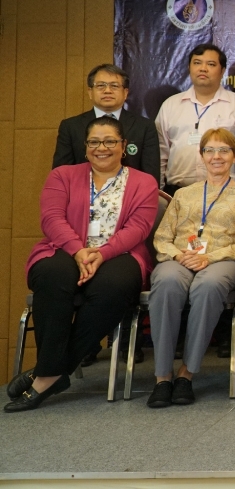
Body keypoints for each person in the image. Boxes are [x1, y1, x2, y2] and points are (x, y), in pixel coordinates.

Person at [6, 116, 158, 412]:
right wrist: (78, 251)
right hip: (65, 248)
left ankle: (46, 374)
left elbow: (139, 227)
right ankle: (52, 372)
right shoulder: (62, 175)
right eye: (94, 142)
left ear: (123, 145)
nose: (102, 148)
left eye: (110, 141)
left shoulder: (144, 182)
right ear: (85, 146)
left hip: (121, 253)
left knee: (113, 286)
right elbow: (51, 218)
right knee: (52, 274)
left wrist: (103, 253)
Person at [146, 128, 235, 408]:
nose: (216, 156)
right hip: (181, 259)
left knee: (208, 285)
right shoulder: (183, 194)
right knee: (167, 283)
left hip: (226, 262)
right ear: (202, 155)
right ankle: (162, 376)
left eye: (224, 150)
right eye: (210, 150)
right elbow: (162, 238)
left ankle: (187, 373)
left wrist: (209, 257)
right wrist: (179, 255)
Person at [155, 44, 235, 195]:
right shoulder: (170, 105)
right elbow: (161, 153)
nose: (203, 69)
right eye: (197, 63)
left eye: (211, 64)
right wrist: (160, 193)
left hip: (227, 193)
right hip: (177, 192)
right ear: (189, 68)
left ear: (222, 71)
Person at [53, 63, 160, 182]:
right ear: (90, 92)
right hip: (82, 191)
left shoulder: (144, 126)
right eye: (100, 86)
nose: (107, 91)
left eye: (114, 86)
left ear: (125, 93)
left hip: (132, 192)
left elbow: (151, 177)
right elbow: (60, 174)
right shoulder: (70, 126)